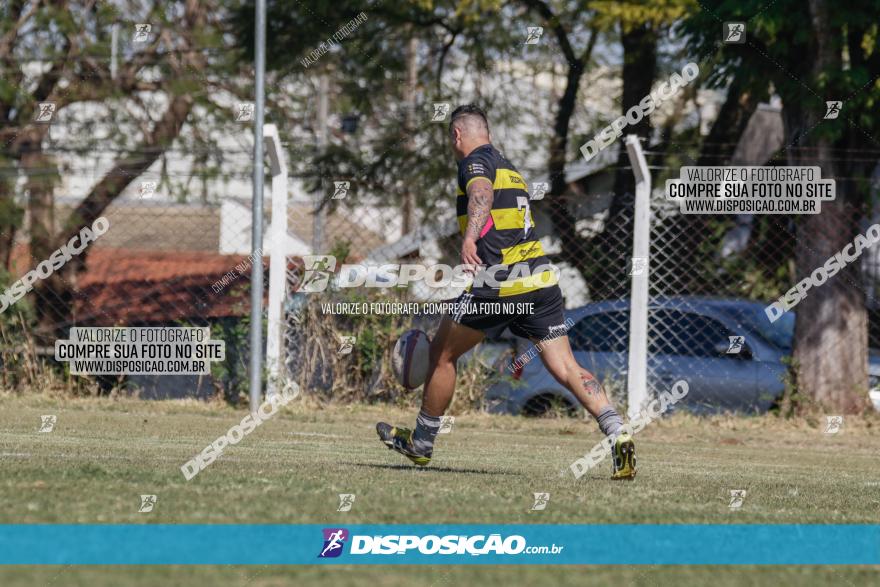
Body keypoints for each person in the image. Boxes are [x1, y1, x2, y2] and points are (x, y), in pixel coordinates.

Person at [376, 105, 635, 479]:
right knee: (566, 367)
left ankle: (422, 443)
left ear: (457, 136)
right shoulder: (508, 166)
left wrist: (468, 238)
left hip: (498, 283)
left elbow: (480, 193)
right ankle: (618, 432)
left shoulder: (474, 164)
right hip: (540, 280)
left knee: (442, 355)